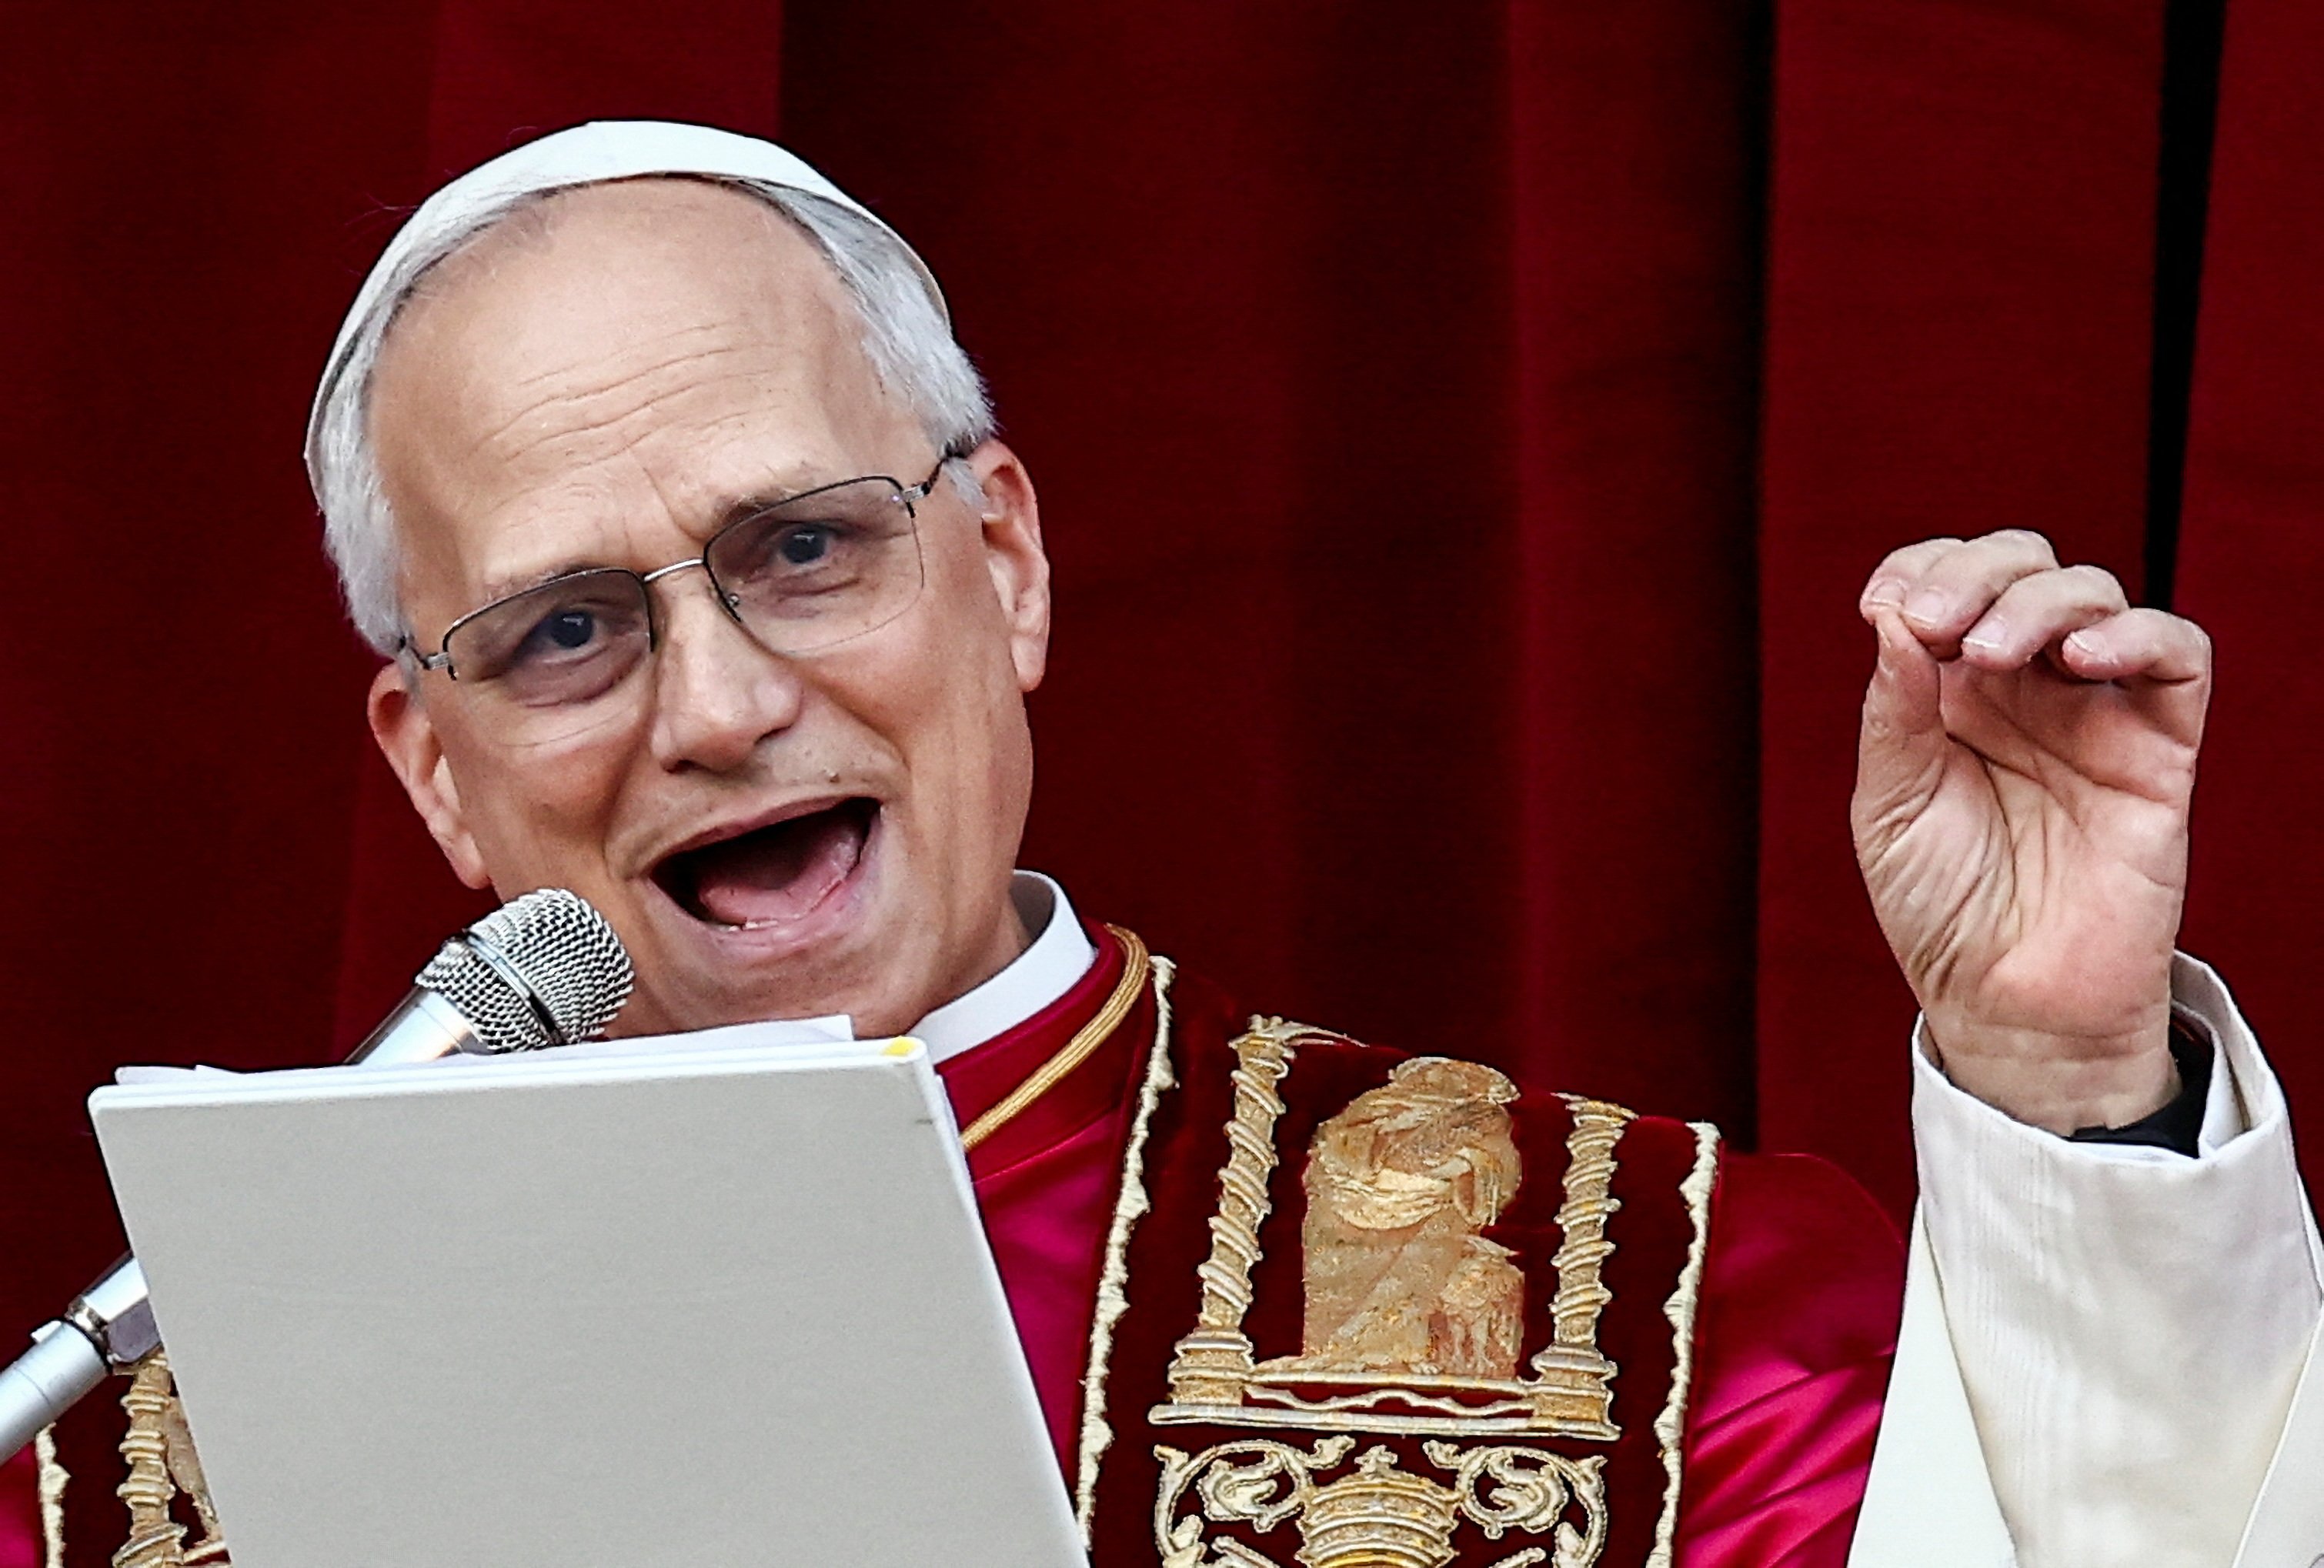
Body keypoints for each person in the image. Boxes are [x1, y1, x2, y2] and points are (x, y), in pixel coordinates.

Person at [14, 121, 2320, 1567]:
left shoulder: (1655, 1316)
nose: (714, 708)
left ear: (1004, 565)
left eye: (804, 549)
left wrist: (2064, 1091)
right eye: (564, 630)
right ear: (433, 768)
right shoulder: (126, 1476)